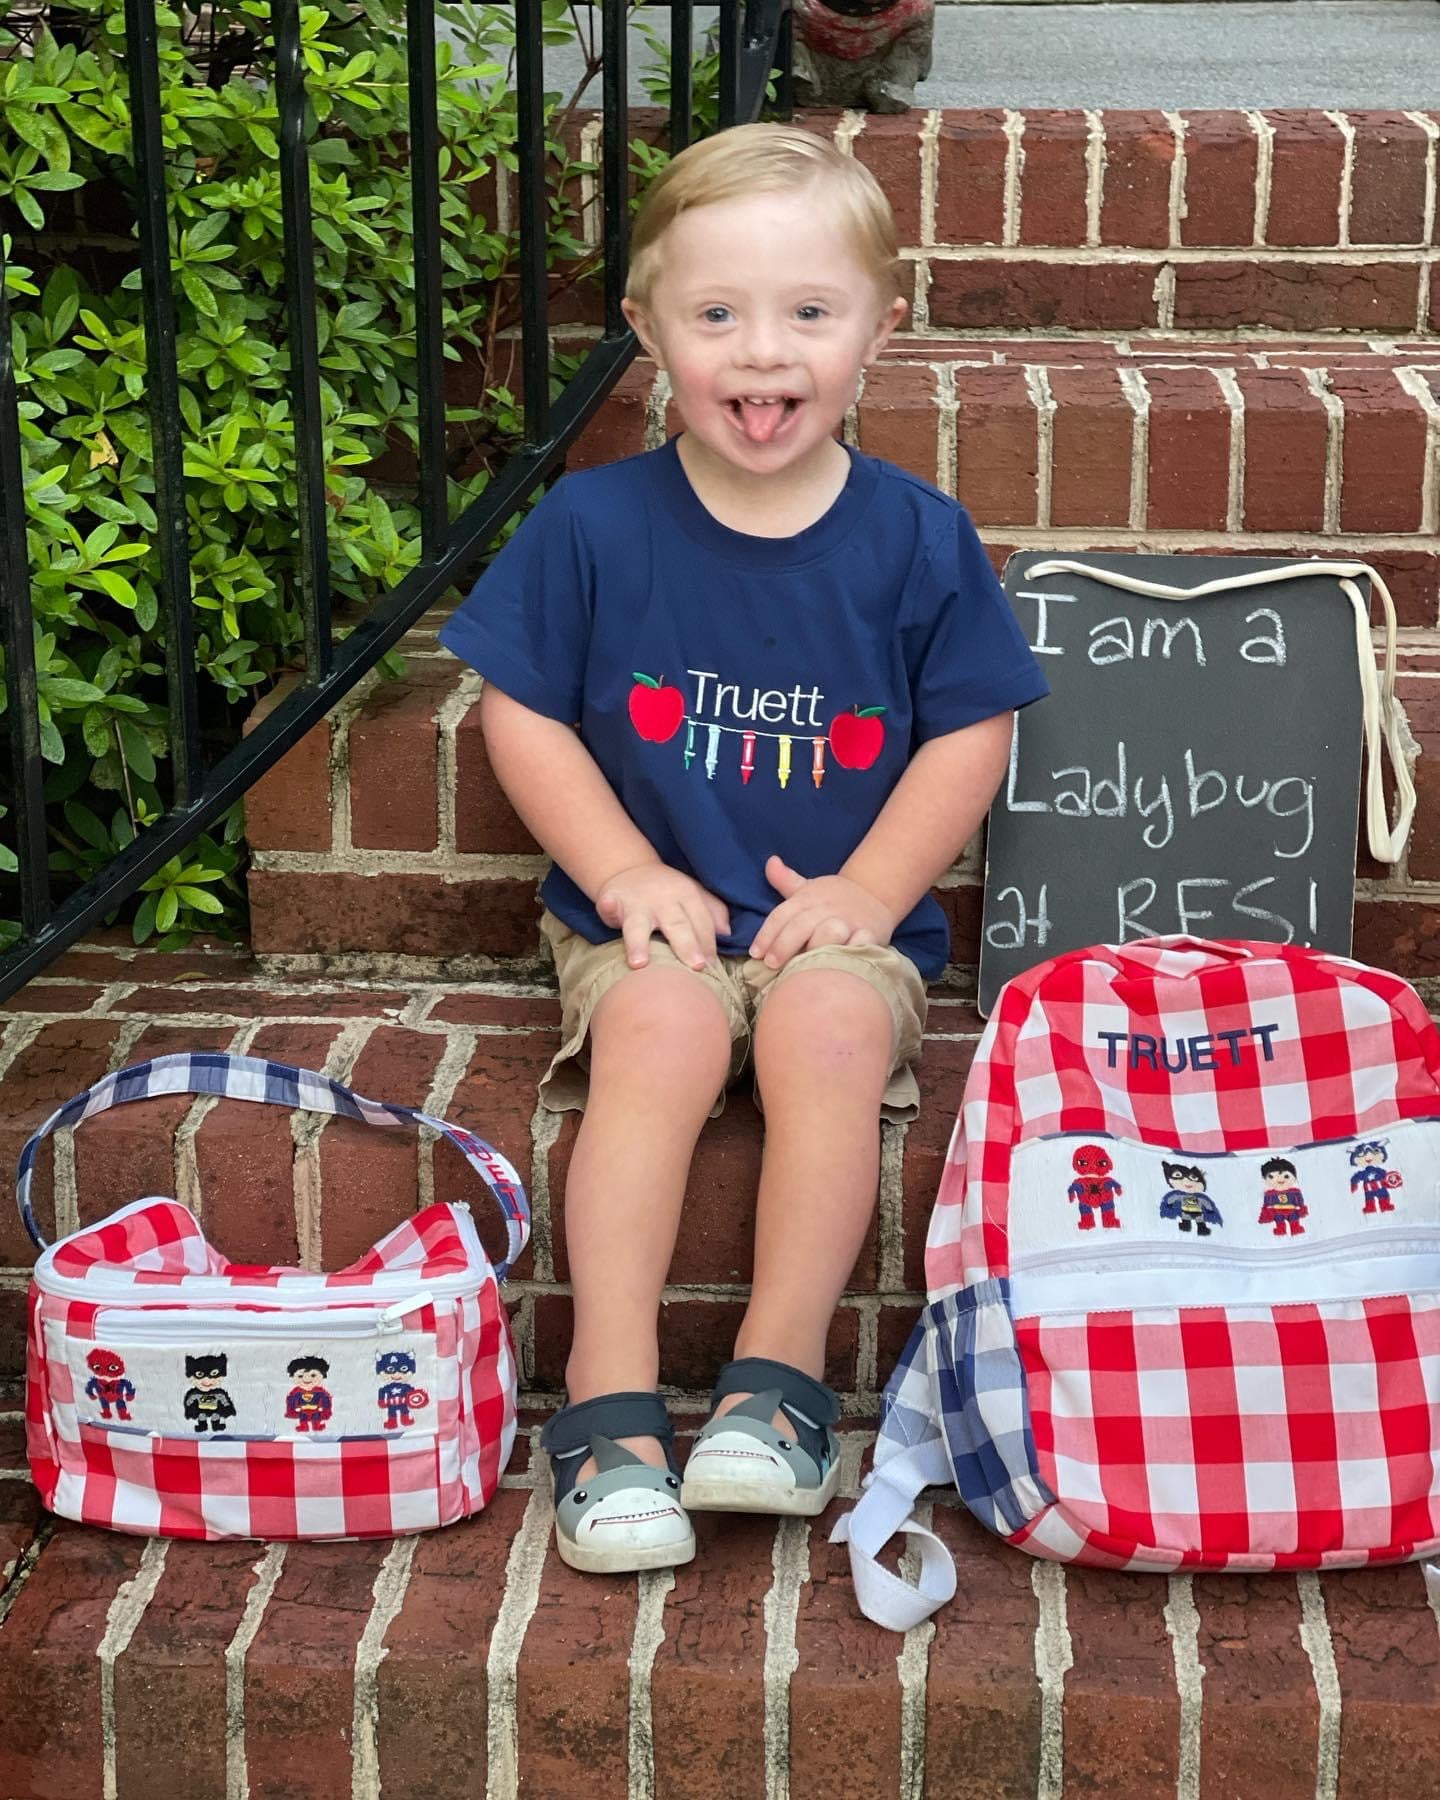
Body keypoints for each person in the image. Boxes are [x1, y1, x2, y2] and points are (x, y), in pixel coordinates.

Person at [440, 122, 1049, 1574]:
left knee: (833, 1031)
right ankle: (610, 1407)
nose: (762, 354)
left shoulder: (917, 538)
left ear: (877, 333)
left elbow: (972, 734)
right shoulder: (595, 525)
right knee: (655, 1033)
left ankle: (775, 1394)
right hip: (640, 922)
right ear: (648, 326)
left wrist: (872, 891)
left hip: (839, 925)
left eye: (808, 314)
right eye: (715, 314)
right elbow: (518, 712)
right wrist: (622, 871)